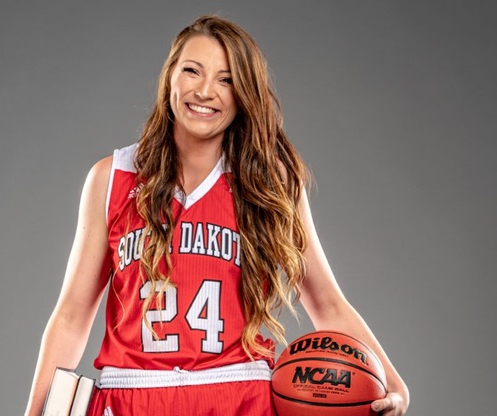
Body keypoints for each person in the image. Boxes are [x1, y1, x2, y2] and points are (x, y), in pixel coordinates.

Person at [24, 15, 409, 416]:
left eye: (226, 80)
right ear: (170, 76)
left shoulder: (268, 183)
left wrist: (395, 387)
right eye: (192, 70)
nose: (205, 91)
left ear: (244, 94)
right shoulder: (112, 178)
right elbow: (71, 314)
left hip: (239, 398)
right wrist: (34, 412)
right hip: (131, 398)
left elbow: (327, 304)